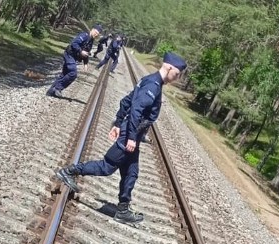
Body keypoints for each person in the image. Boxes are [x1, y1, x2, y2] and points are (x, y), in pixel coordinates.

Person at [54, 52, 188, 224]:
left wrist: (117, 123)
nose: (176, 78)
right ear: (169, 68)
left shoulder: (151, 81)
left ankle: (123, 209)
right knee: (107, 167)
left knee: (131, 172)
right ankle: (68, 172)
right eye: (176, 74)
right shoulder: (153, 85)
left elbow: (126, 101)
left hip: (133, 134)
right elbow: (136, 111)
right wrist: (131, 137)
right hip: (130, 135)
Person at [46, 24, 103, 99]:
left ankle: (50, 92)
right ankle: (57, 88)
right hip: (69, 55)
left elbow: (86, 52)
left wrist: (85, 63)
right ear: (92, 30)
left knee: (64, 74)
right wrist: (80, 51)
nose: (96, 34)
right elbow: (74, 43)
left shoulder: (91, 40)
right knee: (73, 73)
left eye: (97, 34)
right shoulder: (84, 35)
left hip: (74, 57)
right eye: (95, 32)